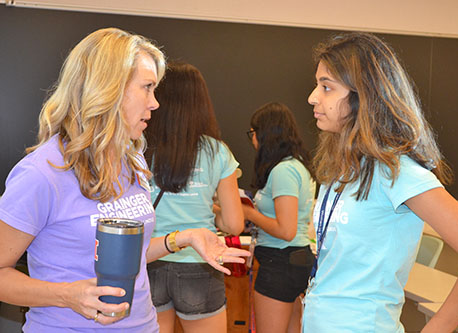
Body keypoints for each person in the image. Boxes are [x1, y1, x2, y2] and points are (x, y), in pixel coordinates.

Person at [0, 27, 248, 333]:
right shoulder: (42, 173)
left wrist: (182, 239)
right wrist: (66, 296)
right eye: (147, 87)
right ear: (109, 89)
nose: (155, 103)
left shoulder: (131, 160)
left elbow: (124, 256)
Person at [302, 32, 458, 332]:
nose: (313, 97)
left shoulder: (397, 172)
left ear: (363, 96)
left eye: (326, 87)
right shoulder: (346, 168)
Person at [144, 61, 244, 333]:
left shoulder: (140, 148)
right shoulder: (217, 152)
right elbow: (234, 225)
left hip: (149, 258)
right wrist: (211, 210)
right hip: (199, 262)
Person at [242, 102, 316, 333]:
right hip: (295, 259)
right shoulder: (297, 166)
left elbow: (286, 230)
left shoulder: (283, 171)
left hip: (280, 262)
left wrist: (248, 212)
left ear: (266, 134)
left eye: (253, 132)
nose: (252, 139)